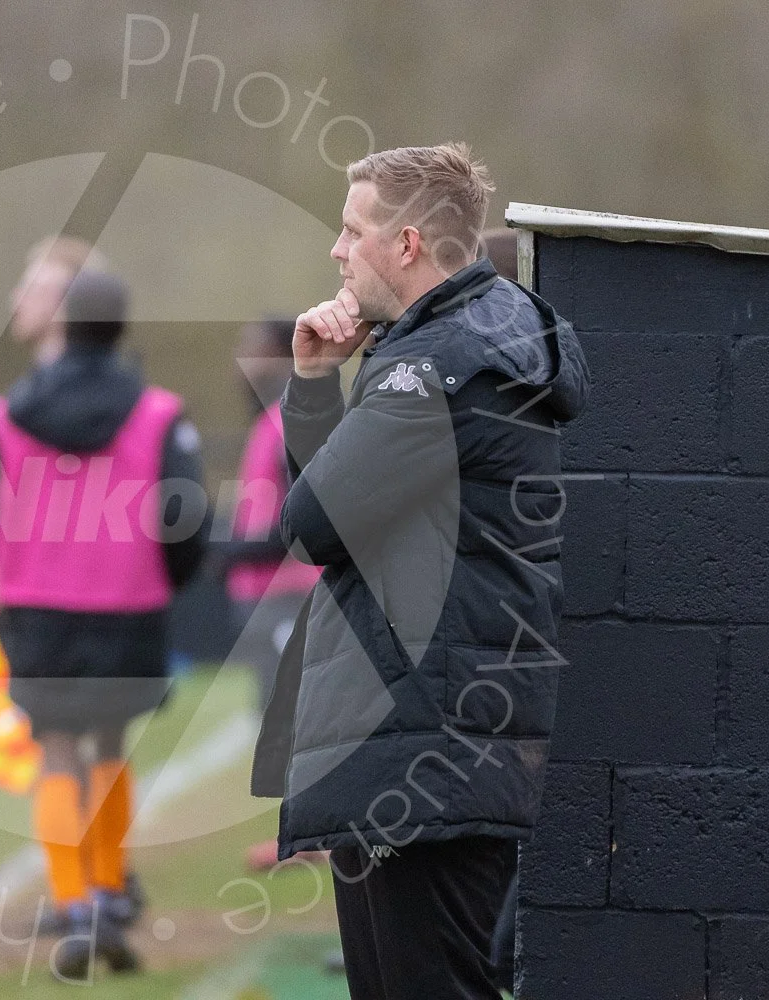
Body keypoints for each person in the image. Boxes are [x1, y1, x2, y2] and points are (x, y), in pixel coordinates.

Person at [250, 143, 589, 1000]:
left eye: (351, 229)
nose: (336, 250)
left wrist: (314, 386)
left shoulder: (431, 366)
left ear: (405, 246)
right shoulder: (492, 331)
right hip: (441, 729)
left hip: (419, 738)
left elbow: (312, 524)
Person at [0, 269, 206, 980]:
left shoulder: (5, 414)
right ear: (123, 329)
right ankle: (104, 895)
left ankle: (71, 907)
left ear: (63, 326)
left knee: (57, 755)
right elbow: (185, 518)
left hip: (39, 611)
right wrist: (167, 581)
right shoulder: (158, 413)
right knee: (109, 750)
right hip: (128, 609)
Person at [214, 319, 323, 871]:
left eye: (255, 351)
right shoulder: (268, 422)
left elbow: (300, 517)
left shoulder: (289, 421)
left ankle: (312, 834)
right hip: (266, 596)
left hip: (291, 593)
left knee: (299, 718)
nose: (245, 363)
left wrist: (234, 553)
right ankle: (303, 832)